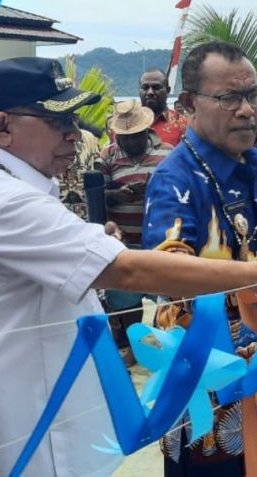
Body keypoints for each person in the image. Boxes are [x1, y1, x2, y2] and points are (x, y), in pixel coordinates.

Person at [0, 57, 257, 477]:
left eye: (252, 96)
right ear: (2, 127)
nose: (75, 132)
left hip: (253, 365)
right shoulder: (1, 200)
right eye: (59, 121)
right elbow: (133, 273)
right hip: (35, 429)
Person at [142, 41, 257, 477]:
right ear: (188, 105)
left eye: (252, 95)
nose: (247, 109)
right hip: (207, 377)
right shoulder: (175, 179)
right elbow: (170, 278)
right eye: (228, 97)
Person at [100, 100, 172, 364]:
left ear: (145, 131)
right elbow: (98, 197)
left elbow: (176, 192)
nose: (129, 141)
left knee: (161, 296)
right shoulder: (107, 156)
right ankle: (133, 348)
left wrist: (153, 190)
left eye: (134, 135)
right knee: (125, 299)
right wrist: (116, 195)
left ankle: (157, 347)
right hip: (124, 240)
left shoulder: (167, 153)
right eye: (124, 136)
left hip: (159, 240)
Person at [139, 68, 188, 146]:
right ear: (139, 90)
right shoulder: (125, 122)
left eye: (156, 87)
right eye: (145, 87)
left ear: (168, 91)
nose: (150, 92)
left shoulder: (182, 124)